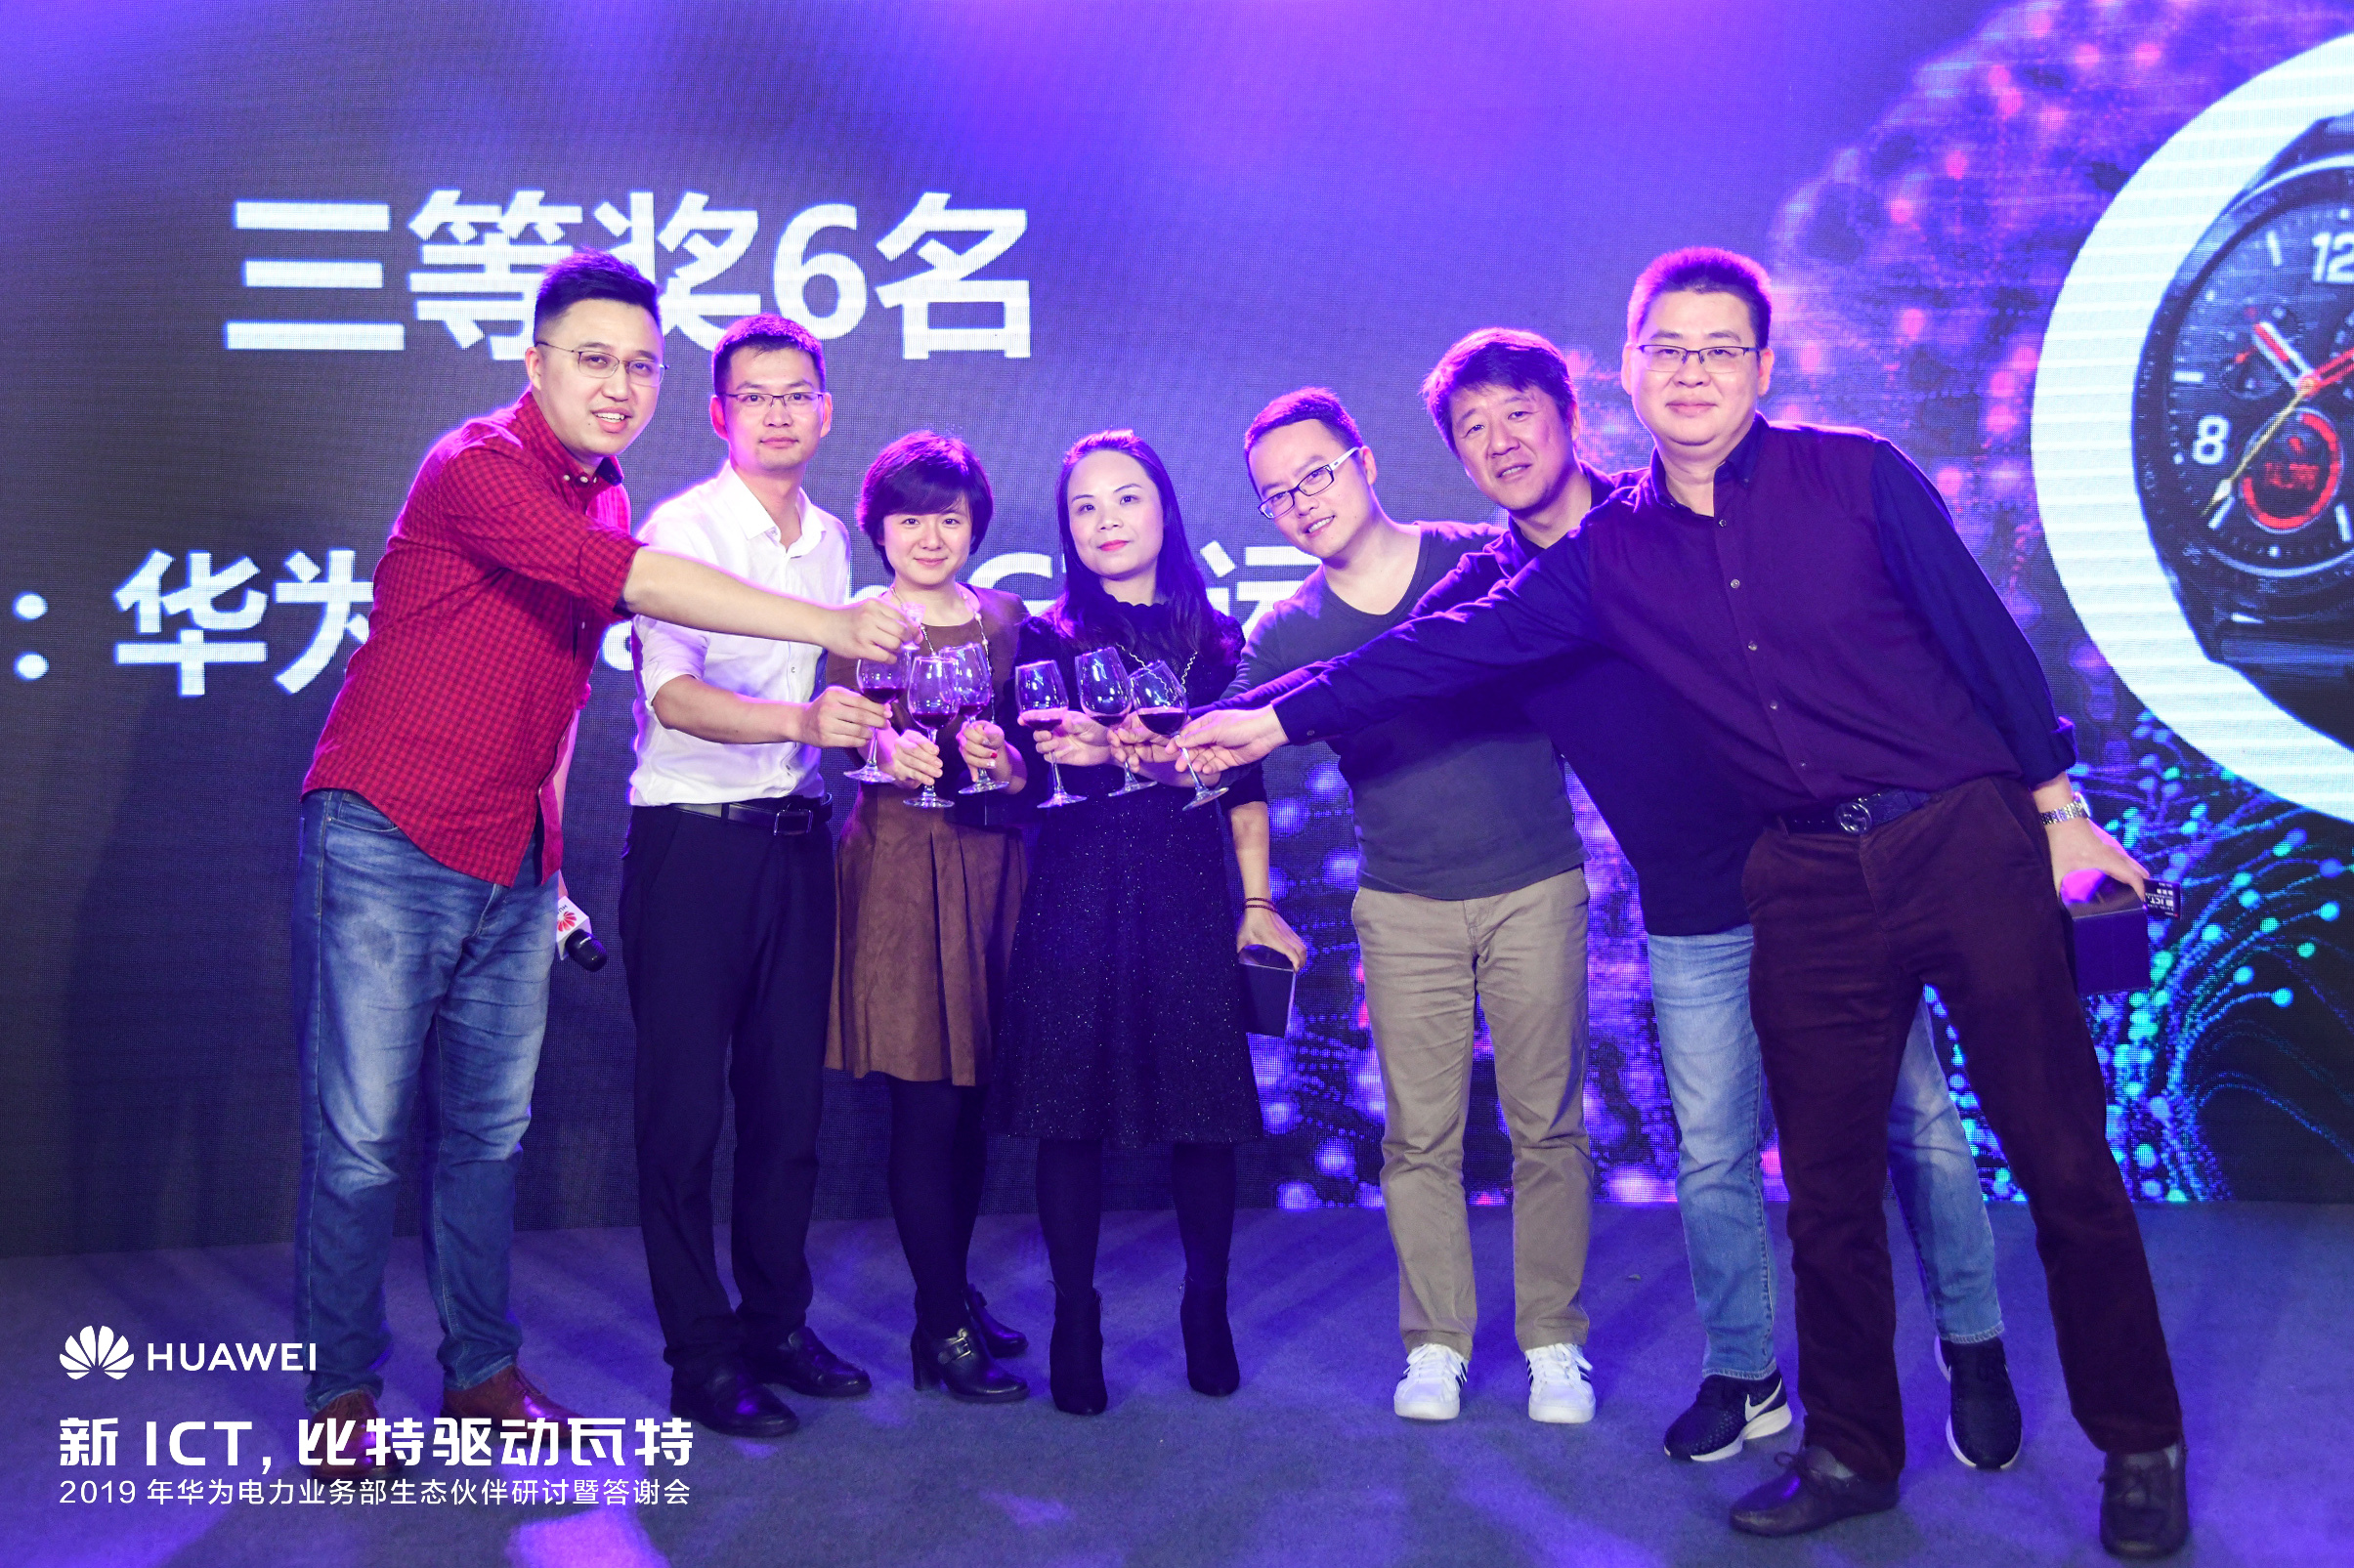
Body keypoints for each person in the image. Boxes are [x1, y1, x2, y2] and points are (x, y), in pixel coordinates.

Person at [1179, 253, 2187, 1559]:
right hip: (1802, 877)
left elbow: (1983, 640)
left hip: (1961, 837)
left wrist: (2058, 811)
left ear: (1762, 367)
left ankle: (2139, 1445)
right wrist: (1268, 718)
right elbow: (1438, 648)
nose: (1693, 371)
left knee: (2059, 1157)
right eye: (1668, 348)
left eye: (1720, 349)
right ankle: (1850, 1450)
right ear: (1631, 371)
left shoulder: (1858, 475)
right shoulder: (1609, 553)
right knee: (1822, 1190)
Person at [294, 257, 907, 1476]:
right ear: (536, 364)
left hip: (515, 852)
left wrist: (555, 859)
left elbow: (565, 694)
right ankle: (340, 1393)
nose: (619, 386)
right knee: (362, 1139)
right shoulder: (477, 464)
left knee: (488, 1137)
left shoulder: (609, 493)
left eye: (640, 365)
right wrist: (832, 627)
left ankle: (480, 1372)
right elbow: (624, 586)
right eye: (593, 360)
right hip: (389, 830)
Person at [1398, 329, 2016, 1468]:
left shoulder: (1667, 524)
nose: (1501, 442)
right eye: (1473, 429)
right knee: (1715, 1154)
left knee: (1917, 1124)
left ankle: (1974, 1347)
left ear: (1570, 412)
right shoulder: (1493, 589)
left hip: (1827, 874)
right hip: (1691, 906)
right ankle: (1745, 1375)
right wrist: (1211, 724)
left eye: (1518, 412)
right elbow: (1390, 666)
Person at [1228, 387, 1597, 1426]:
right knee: (1418, 1138)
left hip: (1535, 881)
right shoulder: (1284, 627)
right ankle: (1435, 1343)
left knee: (1548, 1128)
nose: (1303, 502)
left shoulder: (1481, 559)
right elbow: (1227, 737)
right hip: (1403, 905)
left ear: (1365, 462)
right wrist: (1137, 743)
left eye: (1316, 474)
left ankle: (1554, 1340)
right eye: (1277, 495)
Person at [618, 314, 884, 1439]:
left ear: (825, 410)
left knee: (789, 1111)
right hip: (692, 846)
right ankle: (700, 1358)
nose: (779, 414)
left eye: (797, 394)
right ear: (720, 415)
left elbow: (843, 692)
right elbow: (672, 698)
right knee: (683, 1119)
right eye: (755, 397)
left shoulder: (831, 540)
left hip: (797, 844)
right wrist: (804, 720)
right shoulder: (680, 529)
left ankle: (777, 1325)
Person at [990, 429, 1266, 1417]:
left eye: (1126, 499)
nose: (1106, 520)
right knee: (1069, 1115)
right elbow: (1023, 784)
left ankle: (1207, 1307)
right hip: (1077, 886)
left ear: (1164, 511)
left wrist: (1258, 904)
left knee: (1202, 1114)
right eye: (1085, 506)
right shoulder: (1045, 636)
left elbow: (1243, 785)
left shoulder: (1219, 639)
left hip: (1185, 887)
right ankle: (1075, 1318)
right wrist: (1017, 761)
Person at [824, 431, 1032, 1404]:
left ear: (973, 525)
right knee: (924, 1102)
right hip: (901, 868)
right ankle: (939, 1324)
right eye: (909, 520)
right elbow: (843, 740)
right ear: (880, 530)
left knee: (977, 1096)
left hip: (990, 862)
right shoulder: (859, 625)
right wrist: (882, 755)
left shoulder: (1004, 619)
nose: (930, 537)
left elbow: (1030, 745)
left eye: (948, 518)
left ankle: (954, 1291)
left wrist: (1006, 761)